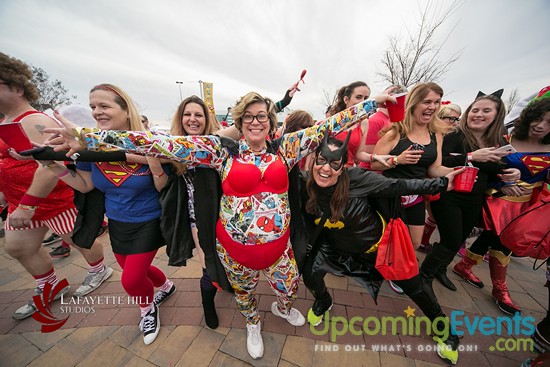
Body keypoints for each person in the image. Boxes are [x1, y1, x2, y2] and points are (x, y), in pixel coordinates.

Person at [48, 90, 394, 359]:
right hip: (235, 249)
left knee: (288, 289)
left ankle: (280, 307)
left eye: (262, 116)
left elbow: (329, 126)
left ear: (271, 121)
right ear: (240, 120)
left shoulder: (286, 147)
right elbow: (158, 143)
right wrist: (87, 136)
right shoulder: (219, 151)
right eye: (249, 116)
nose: (256, 122)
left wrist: (371, 105)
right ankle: (253, 324)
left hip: (278, 250)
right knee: (244, 295)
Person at [299, 136, 462, 365]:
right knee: (310, 276)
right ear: (313, 160)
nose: (325, 168)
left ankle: (444, 329)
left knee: (415, 288)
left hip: (377, 249)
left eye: (334, 164)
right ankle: (324, 301)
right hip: (334, 247)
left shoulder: (356, 179)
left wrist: (442, 184)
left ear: (343, 166)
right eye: (322, 160)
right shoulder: (305, 184)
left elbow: (398, 185)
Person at [42, 83, 175, 345]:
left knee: (131, 279)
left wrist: (151, 161)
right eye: (93, 107)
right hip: (117, 222)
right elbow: (85, 185)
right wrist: (49, 164)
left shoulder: (148, 142)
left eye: (104, 106)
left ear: (126, 111)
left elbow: (163, 186)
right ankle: (167, 287)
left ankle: (147, 309)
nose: (97, 112)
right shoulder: (88, 147)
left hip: (149, 220)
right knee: (138, 271)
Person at [0, 53, 112, 320]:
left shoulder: (34, 121)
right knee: (17, 247)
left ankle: (99, 270)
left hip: (53, 201)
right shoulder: (5, 123)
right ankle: (48, 284)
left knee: (79, 239)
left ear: (17, 87)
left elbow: (48, 166)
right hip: (20, 202)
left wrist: (26, 205)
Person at [453, 95, 550, 314]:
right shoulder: (504, 138)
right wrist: (501, 185)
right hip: (493, 200)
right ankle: (500, 289)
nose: (540, 126)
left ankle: (466, 266)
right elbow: (482, 170)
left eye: (549, 123)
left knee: (496, 239)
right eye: (538, 118)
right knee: (500, 239)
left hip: (526, 205)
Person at [420, 90, 519, 293]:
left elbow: (492, 172)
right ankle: (423, 277)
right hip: (448, 194)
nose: (478, 114)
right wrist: (472, 156)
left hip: (474, 199)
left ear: (497, 115)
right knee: (451, 239)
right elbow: (437, 165)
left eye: (486, 111)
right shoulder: (453, 135)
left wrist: (509, 176)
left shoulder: (498, 142)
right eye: (475, 110)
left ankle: (439, 271)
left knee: (459, 240)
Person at [370, 82, 454, 294]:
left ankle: (389, 265)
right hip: (390, 193)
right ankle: (386, 269)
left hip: (415, 195)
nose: (432, 107)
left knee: (414, 243)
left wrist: (457, 171)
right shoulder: (396, 130)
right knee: (384, 238)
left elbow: (435, 169)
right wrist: (397, 160)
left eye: (436, 102)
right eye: (427, 101)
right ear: (414, 103)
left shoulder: (437, 135)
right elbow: (374, 164)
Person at [160, 95, 233, 330]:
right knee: (208, 264)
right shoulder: (172, 147)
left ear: (206, 119)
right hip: (197, 218)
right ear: (181, 119)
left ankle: (229, 283)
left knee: (230, 260)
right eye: (187, 114)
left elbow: (243, 125)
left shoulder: (218, 142)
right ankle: (208, 306)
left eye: (198, 114)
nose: (193, 119)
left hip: (226, 214)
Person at [419, 101, 462, 253]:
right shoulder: (429, 133)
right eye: (450, 118)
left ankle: (421, 241)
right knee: (429, 211)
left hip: (437, 177)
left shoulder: (454, 137)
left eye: (457, 119)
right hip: (422, 178)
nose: (454, 123)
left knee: (432, 213)